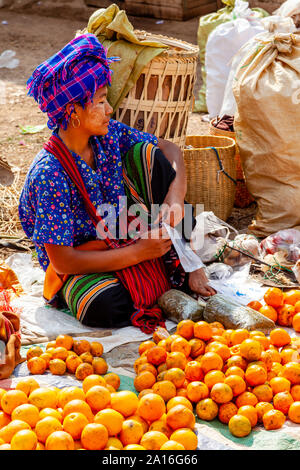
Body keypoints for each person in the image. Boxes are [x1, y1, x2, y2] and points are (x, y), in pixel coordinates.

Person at [19, 33, 215, 332]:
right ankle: (163, 270)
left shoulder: (108, 136)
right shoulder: (49, 174)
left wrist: (176, 196)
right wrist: (138, 253)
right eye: (99, 102)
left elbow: (170, 149)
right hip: (84, 261)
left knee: (151, 156)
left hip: (125, 233)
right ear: (72, 113)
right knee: (105, 306)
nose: (109, 109)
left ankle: (186, 260)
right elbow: (64, 262)